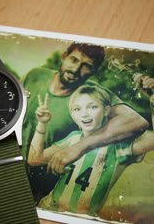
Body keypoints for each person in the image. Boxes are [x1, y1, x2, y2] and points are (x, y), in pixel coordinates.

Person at [21, 42, 148, 200]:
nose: (75, 70)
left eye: (86, 66)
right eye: (73, 60)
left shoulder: (89, 94)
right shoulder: (35, 75)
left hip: (41, 193)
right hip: (5, 170)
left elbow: (136, 121)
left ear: (94, 71)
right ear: (64, 56)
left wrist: (78, 148)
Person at [28, 82, 154, 216]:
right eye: (77, 109)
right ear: (72, 114)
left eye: (92, 107)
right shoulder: (73, 139)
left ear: (106, 110)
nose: (84, 114)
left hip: (83, 219)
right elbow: (34, 159)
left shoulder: (119, 147)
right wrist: (42, 124)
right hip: (48, 211)